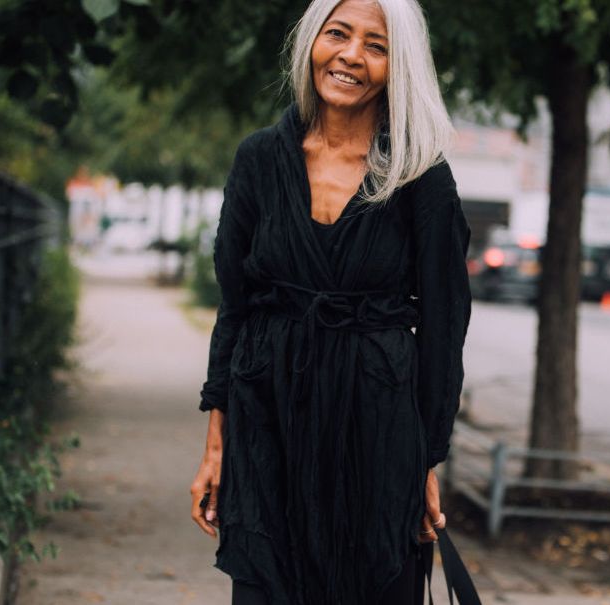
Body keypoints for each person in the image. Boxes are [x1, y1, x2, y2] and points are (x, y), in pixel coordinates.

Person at [188, 0, 472, 603]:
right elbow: (235, 307)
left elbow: (446, 328)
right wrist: (218, 445)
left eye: (376, 45)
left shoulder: (421, 174)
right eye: (337, 34)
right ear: (310, 42)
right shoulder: (260, 160)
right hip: (268, 426)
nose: (350, 56)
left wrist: (426, 459)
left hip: (377, 434)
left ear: (400, 66)